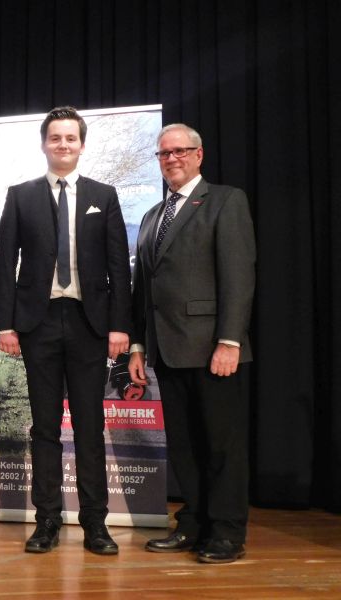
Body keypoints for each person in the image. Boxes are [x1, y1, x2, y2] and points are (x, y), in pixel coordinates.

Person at [0, 106, 132, 555]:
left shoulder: (104, 195)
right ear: (44, 143)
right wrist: (6, 324)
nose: (63, 145)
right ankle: (47, 521)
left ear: (82, 144)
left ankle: (96, 524)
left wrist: (119, 326)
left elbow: (118, 268)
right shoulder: (20, 195)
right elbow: (4, 264)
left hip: (90, 324)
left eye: (71, 138)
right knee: (46, 428)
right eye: (55, 138)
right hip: (37, 324)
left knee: (91, 428)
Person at [128, 123, 255, 564]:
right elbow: (142, 292)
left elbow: (239, 277)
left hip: (212, 349)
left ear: (199, 155)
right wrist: (139, 348)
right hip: (165, 349)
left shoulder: (225, 200)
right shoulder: (150, 217)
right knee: (183, 446)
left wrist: (229, 341)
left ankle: (226, 532)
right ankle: (195, 522)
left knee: (221, 445)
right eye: (163, 154)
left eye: (180, 151)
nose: (171, 159)